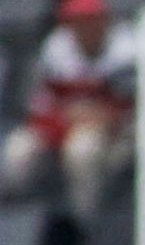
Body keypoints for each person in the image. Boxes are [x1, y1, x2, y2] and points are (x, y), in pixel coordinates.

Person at [3, 0, 132, 219]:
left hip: (116, 135)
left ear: (103, 20)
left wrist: (95, 116)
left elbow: (133, 109)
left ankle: (86, 222)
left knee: (82, 150)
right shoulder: (57, 49)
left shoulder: (127, 50)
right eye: (77, 22)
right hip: (64, 126)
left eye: (90, 20)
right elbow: (40, 107)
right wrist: (66, 120)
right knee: (19, 148)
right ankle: (13, 217)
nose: (84, 27)